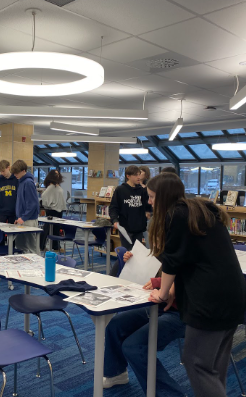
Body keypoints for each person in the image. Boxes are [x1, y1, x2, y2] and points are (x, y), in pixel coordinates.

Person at [146, 173, 246, 397]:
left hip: (210, 301)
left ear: (163, 197)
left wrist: (162, 294)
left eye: (152, 197)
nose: (149, 202)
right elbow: (188, 256)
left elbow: (172, 261)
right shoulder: (197, 210)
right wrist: (171, 289)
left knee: (196, 363)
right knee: (213, 367)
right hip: (233, 295)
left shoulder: (176, 215)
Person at [103, 250, 186, 396]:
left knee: (134, 346)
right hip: (161, 304)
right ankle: (115, 374)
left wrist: (160, 283)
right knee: (116, 324)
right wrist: (133, 261)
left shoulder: (192, 245)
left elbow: (188, 280)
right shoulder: (168, 245)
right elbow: (158, 272)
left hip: (186, 312)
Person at [109, 165, 151, 254]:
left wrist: (148, 212)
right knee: (127, 253)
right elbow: (113, 207)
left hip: (139, 228)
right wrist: (115, 220)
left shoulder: (142, 190)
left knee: (137, 254)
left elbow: (148, 204)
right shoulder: (120, 190)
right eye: (136, 175)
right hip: (125, 228)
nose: (139, 177)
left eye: (139, 174)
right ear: (128, 176)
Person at [11, 160, 40, 254]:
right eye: (14, 173)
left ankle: (39, 267)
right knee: (21, 246)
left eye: (17, 173)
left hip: (29, 219)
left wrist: (23, 217)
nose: (15, 175)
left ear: (23, 171)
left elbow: (32, 204)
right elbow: (21, 203)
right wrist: (19, 218)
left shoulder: (28, 183)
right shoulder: (21, 181)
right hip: (22, 218)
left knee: (32, 247)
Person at [40, 170, 65, 251]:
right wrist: (48, 204)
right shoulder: (51, 186)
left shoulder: (57, 185)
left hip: (58, 210)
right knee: (47, 229)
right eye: (56, 174)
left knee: (56, 229)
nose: (58, 175)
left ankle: (56, 246)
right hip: (52, 210)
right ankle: (41, 246)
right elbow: (44, 196)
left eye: (58, 174)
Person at [0, 159, 19, 224]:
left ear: (8, 168)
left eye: (3, 171)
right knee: (0, 231)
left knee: (13, 232)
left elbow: (19, 197)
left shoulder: (16, 180)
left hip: (14, 212)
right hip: (1, 212)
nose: (2, 173)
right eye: (0, 172)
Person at [139, 166, 151, 247]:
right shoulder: (136, 184)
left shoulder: (149, 184)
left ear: (146, 173)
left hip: (148, 212)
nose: (139, 174)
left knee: (147, 235)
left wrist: (148, 211)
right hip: (139, 212)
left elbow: (148, 200)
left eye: (141, 171)